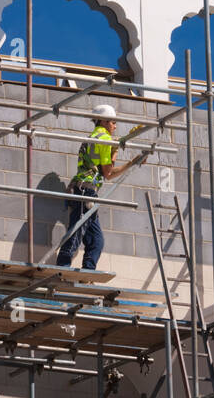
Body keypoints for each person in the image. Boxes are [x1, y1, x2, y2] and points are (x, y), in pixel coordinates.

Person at [56, 103, 148, 272]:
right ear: (104, 121)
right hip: (86, 191)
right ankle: (62, 267)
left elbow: (106, 174)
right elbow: (108, 172)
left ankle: (88, 271)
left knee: (96, 240)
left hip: (84, 190)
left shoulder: (93, 137)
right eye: (113, 122)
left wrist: (131, 162)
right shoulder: (105, 139)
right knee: (76, 232)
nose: (115, 125)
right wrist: (115, 151)